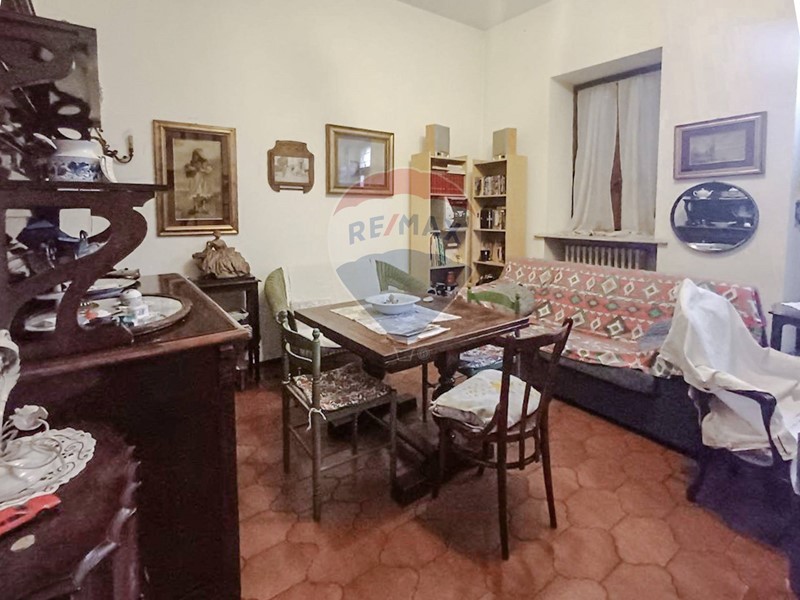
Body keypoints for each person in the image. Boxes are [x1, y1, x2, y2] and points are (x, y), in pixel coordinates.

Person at [184, 148, 213, 215]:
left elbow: (209, 170)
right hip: (194, 181)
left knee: (203, 194)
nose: (195, 157)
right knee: (195, 194)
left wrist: (202, 170)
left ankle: (203, 208)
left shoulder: (204, 163)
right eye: (194, 155)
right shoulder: (192, 163)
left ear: (199, 155)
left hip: (202, 180)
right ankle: (195, 208)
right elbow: (189, 170)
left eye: (196, 155)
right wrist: (192, 169)